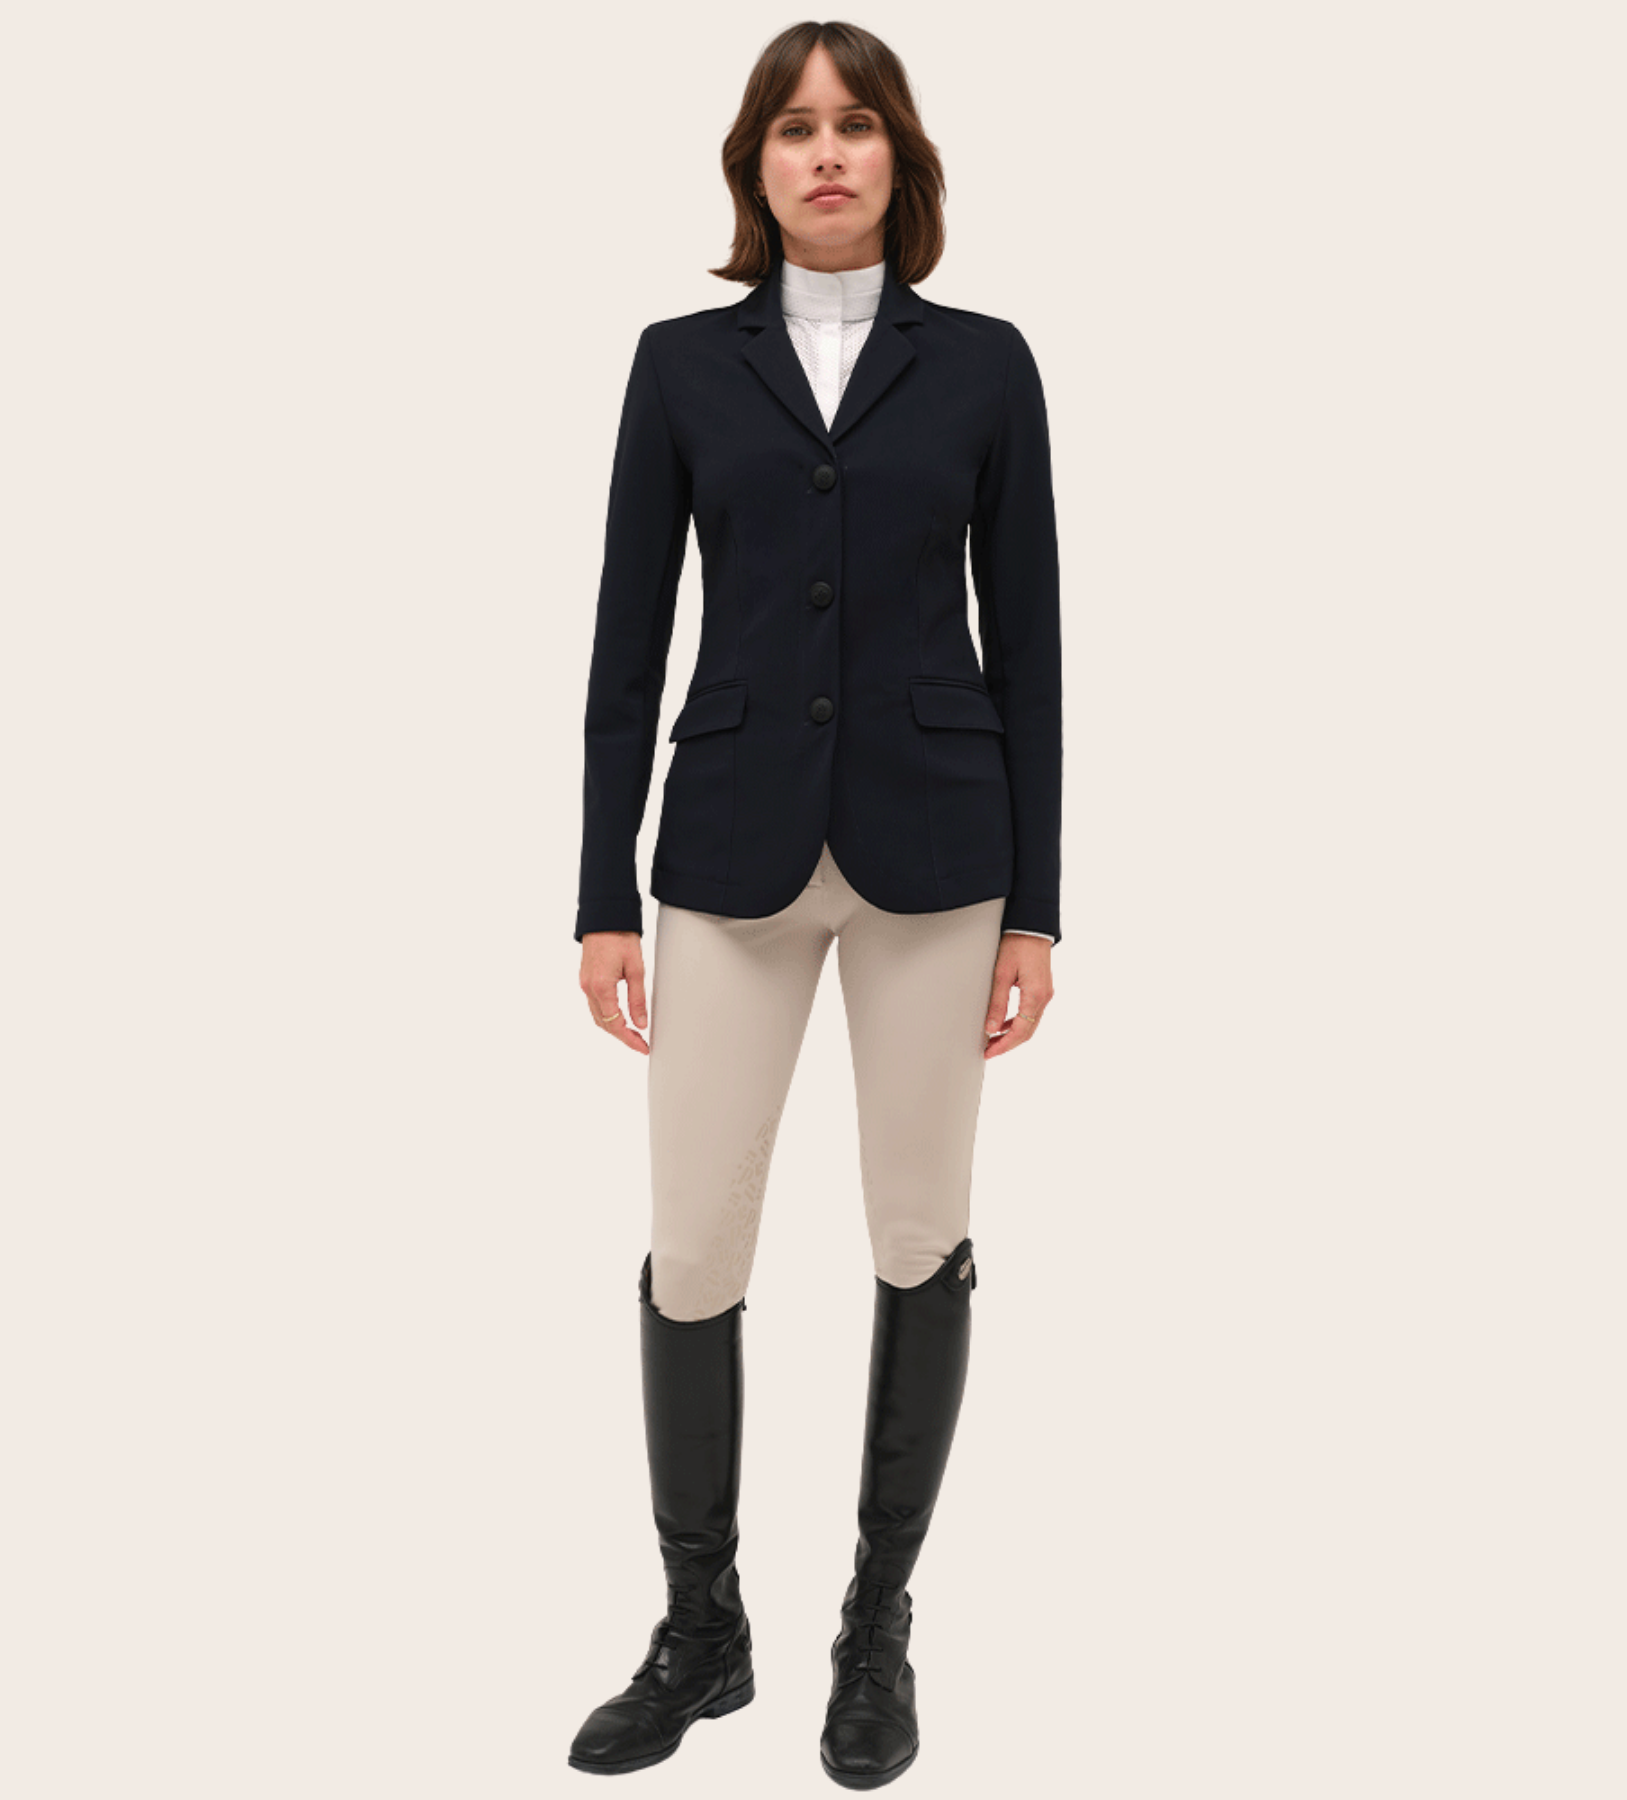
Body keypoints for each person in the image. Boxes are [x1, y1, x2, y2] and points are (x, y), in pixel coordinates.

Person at [567, 21, 1061, 1788]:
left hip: (940, 851)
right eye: (794, 128)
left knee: (918, 1230)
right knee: (694, 1243)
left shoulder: (986, 365)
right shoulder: (678, 366)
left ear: (899, 158)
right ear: (754, 166)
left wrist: (1039, 908)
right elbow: (627, 638)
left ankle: (876, 1627)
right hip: (726, 852)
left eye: (856, 125)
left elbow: (1034, 643)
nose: (827, 152)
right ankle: (703, 1631)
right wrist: (600, 895)